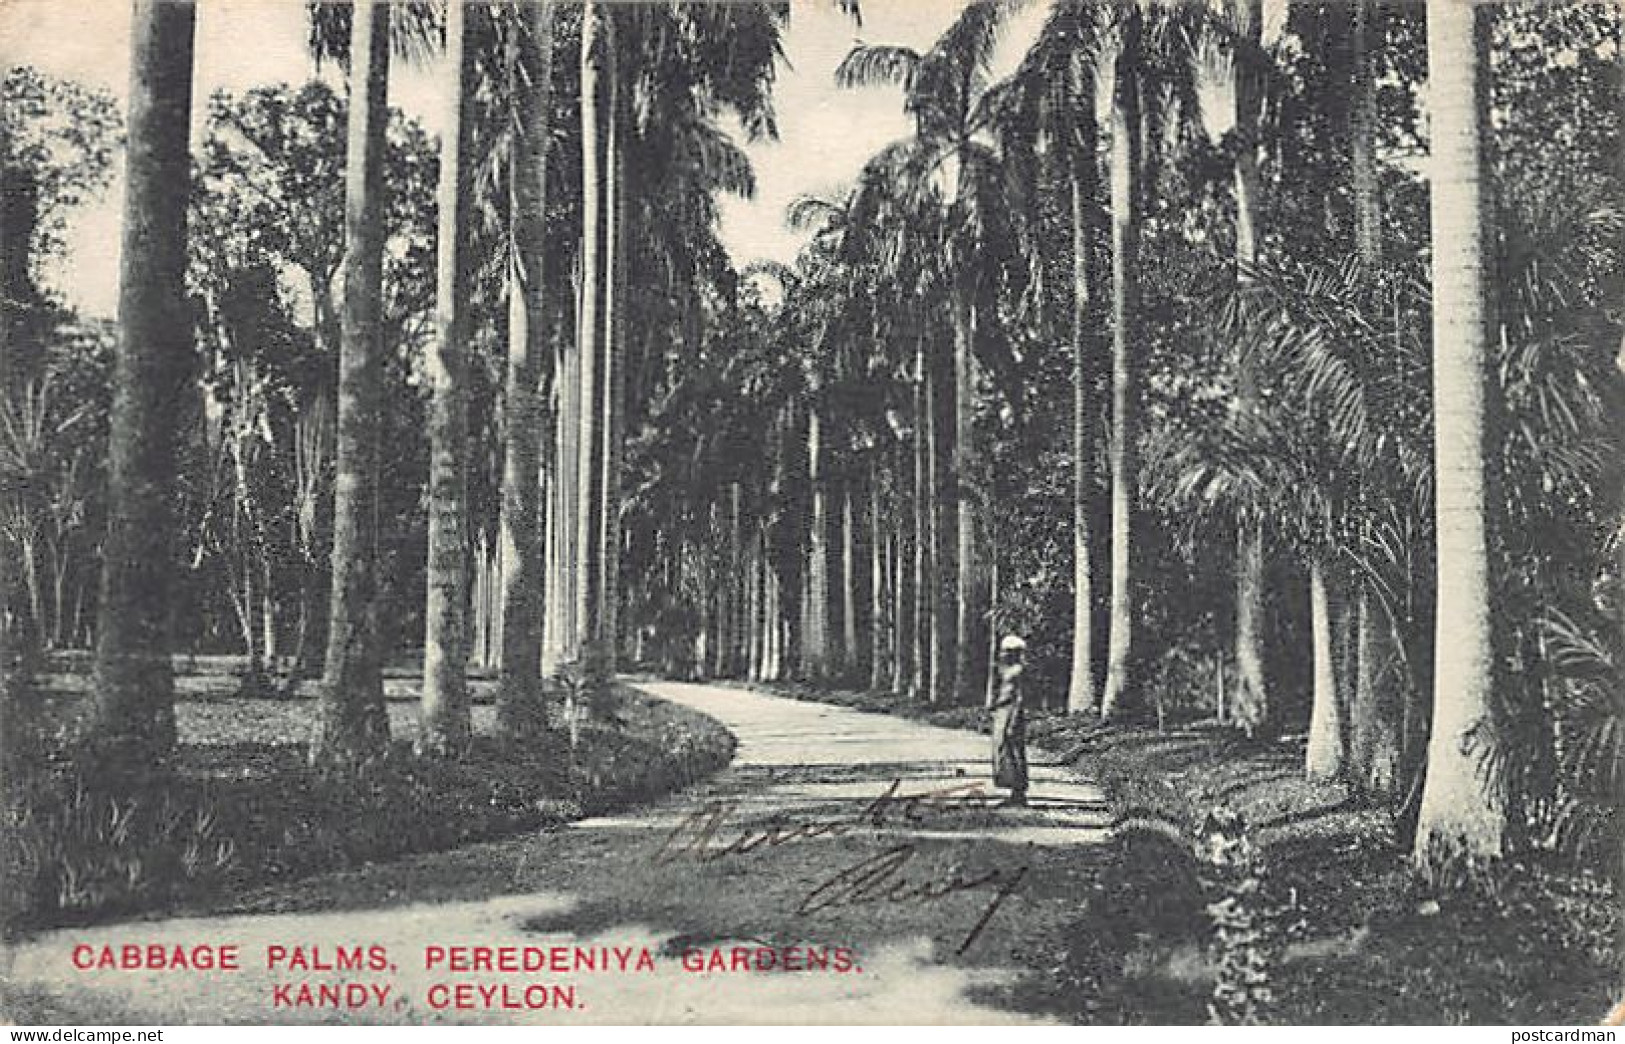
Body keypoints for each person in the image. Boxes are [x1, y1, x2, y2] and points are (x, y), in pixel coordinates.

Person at [990, 634, 1029, 806]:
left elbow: (1020, 696)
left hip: (1013, 710)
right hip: (1002, 710)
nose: (1003, 654)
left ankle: (1018, 791)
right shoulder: (1002, 668)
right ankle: (1010, 786)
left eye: (1008, 651)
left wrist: (1014, 717)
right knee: (1002, 747)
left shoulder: (1020, 670)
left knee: (1014, 748)